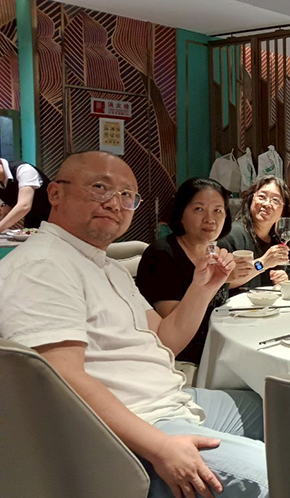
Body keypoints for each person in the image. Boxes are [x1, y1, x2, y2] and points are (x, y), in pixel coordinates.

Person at [0, 151, 268, 498]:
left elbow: (165, 339)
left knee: (282, 410)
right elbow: (60, 379)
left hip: (171, 399)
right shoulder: (41, 265)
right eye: (100, 188)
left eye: (127, 195)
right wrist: (160, 447)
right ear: (55, 193)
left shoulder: (106, 266)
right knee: (285, 473)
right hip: (136, 427)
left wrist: (204, 287)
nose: (114, 203)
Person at [136, 178, 232, 365]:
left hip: (217, 341)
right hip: (185, 355)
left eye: (218, 210)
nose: (210, 219)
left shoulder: (217, 249)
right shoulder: (161, 255)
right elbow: (175, 327)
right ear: (180, 213)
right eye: (199, 209)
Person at [218, 175, 290, 292]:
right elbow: (220, 282)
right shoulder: (233, 235)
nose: (267, 204)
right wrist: (263, 263)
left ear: (283, 210)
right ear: (251, 200)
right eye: (262, 197)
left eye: (275, 200)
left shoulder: (276, 240)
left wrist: (280, 278)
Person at [0, 158, 52, 231]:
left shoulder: (24, 170)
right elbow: (6, 212)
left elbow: (24, 206)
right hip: (31, 224)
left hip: (53, 221)